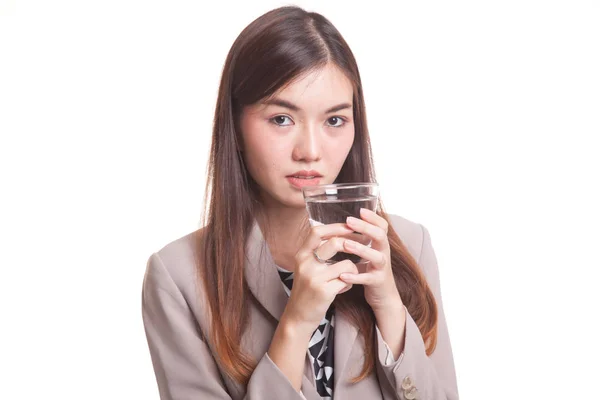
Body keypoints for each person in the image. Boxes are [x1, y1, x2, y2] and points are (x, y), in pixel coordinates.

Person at [141, 5, 459, 400]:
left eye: (334, 120)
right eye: (281, 119)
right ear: (235, 123)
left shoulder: (408, 246)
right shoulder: (178, 277)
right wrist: (296, 323)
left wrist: (390, 309)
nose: (310, 151)